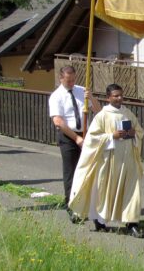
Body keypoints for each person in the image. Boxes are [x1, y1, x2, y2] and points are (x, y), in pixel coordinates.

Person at [68, 84, 144, 238]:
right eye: (115, 96)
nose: (119, 98)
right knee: (104, 190)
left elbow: (139, 132)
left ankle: (132, 223)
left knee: (131, 191)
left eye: (121, 95)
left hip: (128, 159)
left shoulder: (128, 113)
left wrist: (133, 134)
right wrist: (111, 136)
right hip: (109, 160)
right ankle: (100, 220)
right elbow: (91, 139)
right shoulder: (102, 115)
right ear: (108, 97)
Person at [49, 65, 101, 223]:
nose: (72, 83)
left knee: (87, 170)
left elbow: (99, 112)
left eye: (73, 79)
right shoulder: (56, 96)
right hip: (68, 136)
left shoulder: (81, 91)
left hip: (85, 134)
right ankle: (71, 205)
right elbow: (58, 121)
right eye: (68, 80)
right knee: (71, 171)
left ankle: (88, 205)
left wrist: (91, 97)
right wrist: (76, 139)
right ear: (61, 78)